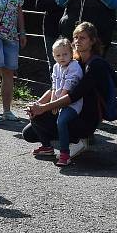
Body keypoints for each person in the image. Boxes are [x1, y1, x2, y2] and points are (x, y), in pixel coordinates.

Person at [24, 22, 117, 160]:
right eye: (75, 37)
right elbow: (55, 86)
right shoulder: (72, 60)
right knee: (29, 132)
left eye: (82, 38)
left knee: (44, 118)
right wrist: (37, 104)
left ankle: (78, 139)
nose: (77, 41)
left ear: (92, 41)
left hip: (86, 117)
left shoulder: (96, 65)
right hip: (69, 107)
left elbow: (74, 95)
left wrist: (44, 108)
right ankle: (58, 141)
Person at [47, 38, 83, 167]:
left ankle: (65, 154)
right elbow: (55, 84)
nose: (61, 57)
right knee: (44, 116)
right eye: (58, 55)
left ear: (71, 52)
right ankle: (46, 146)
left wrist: (56, 103)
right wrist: (52, 101)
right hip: (58, 101)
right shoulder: (56, 67)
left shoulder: (74, 66)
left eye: (65, 54)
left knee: (61, 121)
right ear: (53, 55)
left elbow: (68, 86)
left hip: (72, 103)